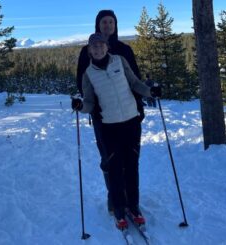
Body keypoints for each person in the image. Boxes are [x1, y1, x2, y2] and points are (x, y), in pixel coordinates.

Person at [72, 33, 161, 230]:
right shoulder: (88, 74)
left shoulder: (119, 61)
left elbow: (135, 83)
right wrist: (80, 106)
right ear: (89, 51)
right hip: (109, 127)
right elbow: (89, 103)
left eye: (101, 45)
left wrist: (150, 91)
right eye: (94, 47)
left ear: (107, 47)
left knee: (131, 166)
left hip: (131, 122)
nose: (98, 49)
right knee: (114, 169)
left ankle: (133, 206)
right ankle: (119, 208)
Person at [76, 10, 145, 214]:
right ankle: (114, 197)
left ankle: (130, 199)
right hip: (102, 116)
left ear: (115, 25)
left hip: (129, 114)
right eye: (104, 22)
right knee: (109, 158)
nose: (107, 25)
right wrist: (92, 107)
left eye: (111, 22)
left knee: (131, 159)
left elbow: (135, 80)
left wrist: (139, 105)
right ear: (98, 25)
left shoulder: (124, 50)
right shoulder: (85, 52)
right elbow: (82, 82)